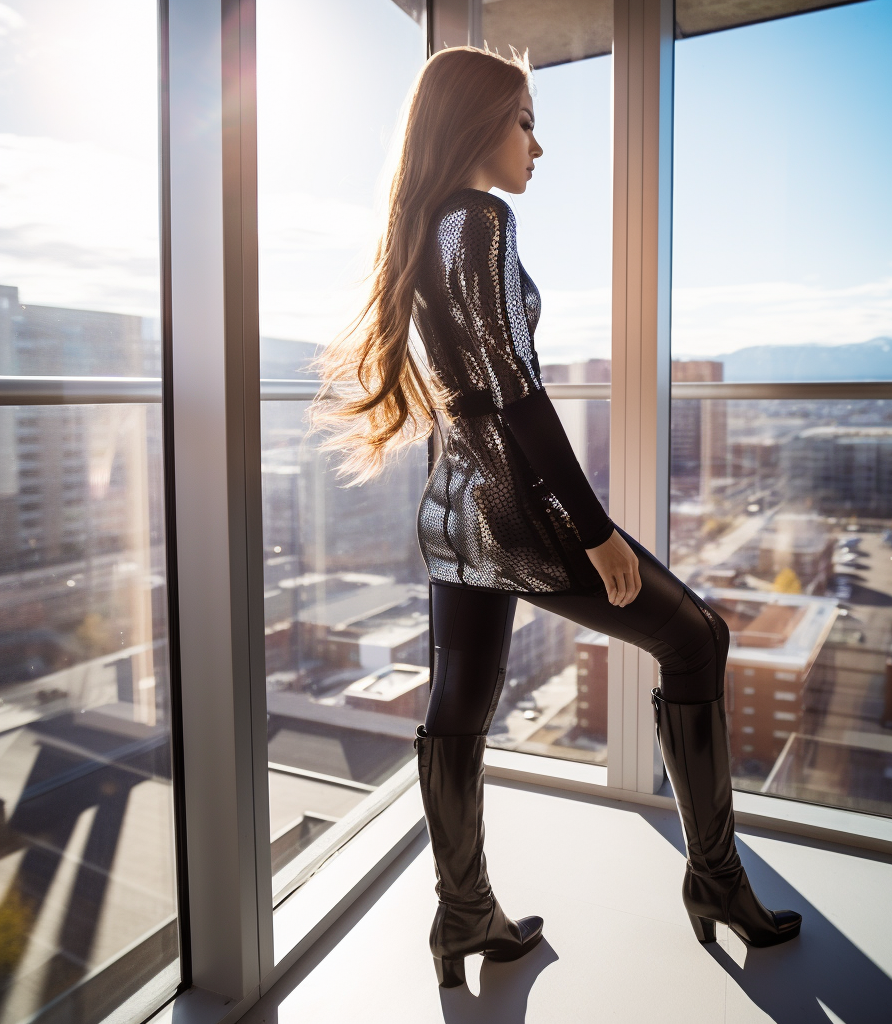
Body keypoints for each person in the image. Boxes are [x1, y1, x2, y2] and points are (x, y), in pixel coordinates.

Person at [312, 45, 801, 990]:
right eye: (526, 121)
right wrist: (595, 531)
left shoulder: (422, 228)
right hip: (517, 513)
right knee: (696, 636)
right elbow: (519, 397)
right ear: (477, 125)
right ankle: (716, 880)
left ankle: (464, 916)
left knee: (460, 702)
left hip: (452, 514)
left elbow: (476, 396)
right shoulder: (480, 220)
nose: (540, 143)